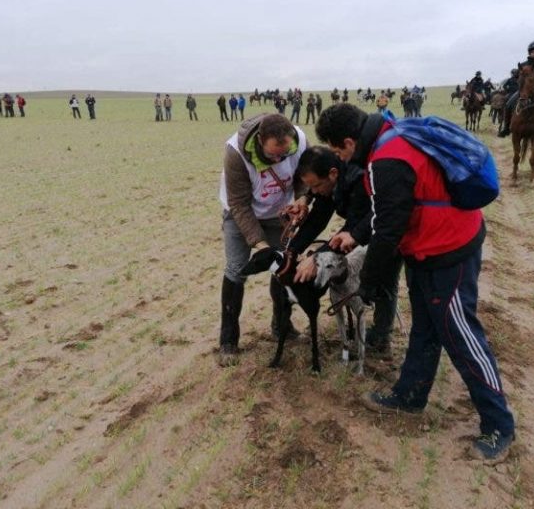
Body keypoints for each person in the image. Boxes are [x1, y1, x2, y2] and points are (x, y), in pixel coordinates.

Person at [315, 103, 516, 462]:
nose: (338, 158)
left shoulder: (385, 160)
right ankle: (409, 395)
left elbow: (387, 230)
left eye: (336, 150)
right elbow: (390, 216)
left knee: (461, 334)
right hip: (426, 248)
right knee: (425, 327)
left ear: (348, 141)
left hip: (448, 250)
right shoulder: (391, 132)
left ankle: (499, 423)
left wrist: (369, 285)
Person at [287, 146, 399, 357]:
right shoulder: (330, 185)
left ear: (332, 173)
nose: (314, 193)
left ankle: (381, 340)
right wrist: (292, 251)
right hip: (365, 225)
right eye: (309, 189)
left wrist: (316, 258)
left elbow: (355, 227)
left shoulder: (357, 181)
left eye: (316, 186)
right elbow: (318, 218)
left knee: (385, 280)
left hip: (388, 227)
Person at [217, 113, 308, 365]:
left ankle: (282, 326)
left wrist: (302, 198)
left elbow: (303, 176)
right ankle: (228, 341)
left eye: (284, 153)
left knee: (283, 267)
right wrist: (260, 244)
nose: (279, 159)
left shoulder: (299, 140)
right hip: (240, 215)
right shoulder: (235, 153)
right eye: (272, 155)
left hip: (277, 212)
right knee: (236, 270)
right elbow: (238, 204)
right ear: (259, 141)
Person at [499, 41, 534, 139]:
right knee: (508, 105)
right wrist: (517, 73)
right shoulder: (524, 64)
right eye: (532, 51)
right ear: (529, 52)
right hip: (524, 91)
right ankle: (506, 128)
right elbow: (517, 75)